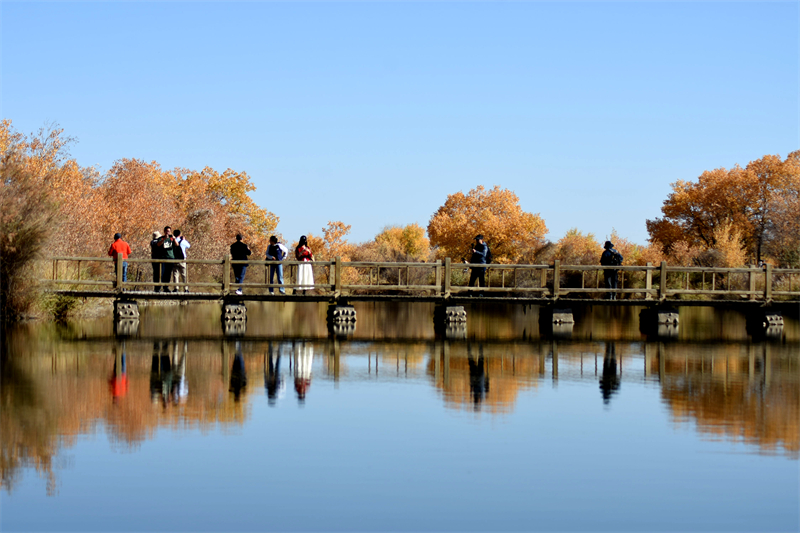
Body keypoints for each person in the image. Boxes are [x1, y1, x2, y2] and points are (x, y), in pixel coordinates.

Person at [156, 226, 177, 292]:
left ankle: (166, 287)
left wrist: (174, 239)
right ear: (164, 231)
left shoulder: (172, 238)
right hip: (163, 258)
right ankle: (158, 287)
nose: (168, 232)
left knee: (168, 273)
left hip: (171, 257)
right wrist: (164, 239)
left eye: (169, 231)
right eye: (167, 231)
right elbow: (158, 245)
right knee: (161, 273)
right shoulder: (161, 238)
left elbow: (177, 245)